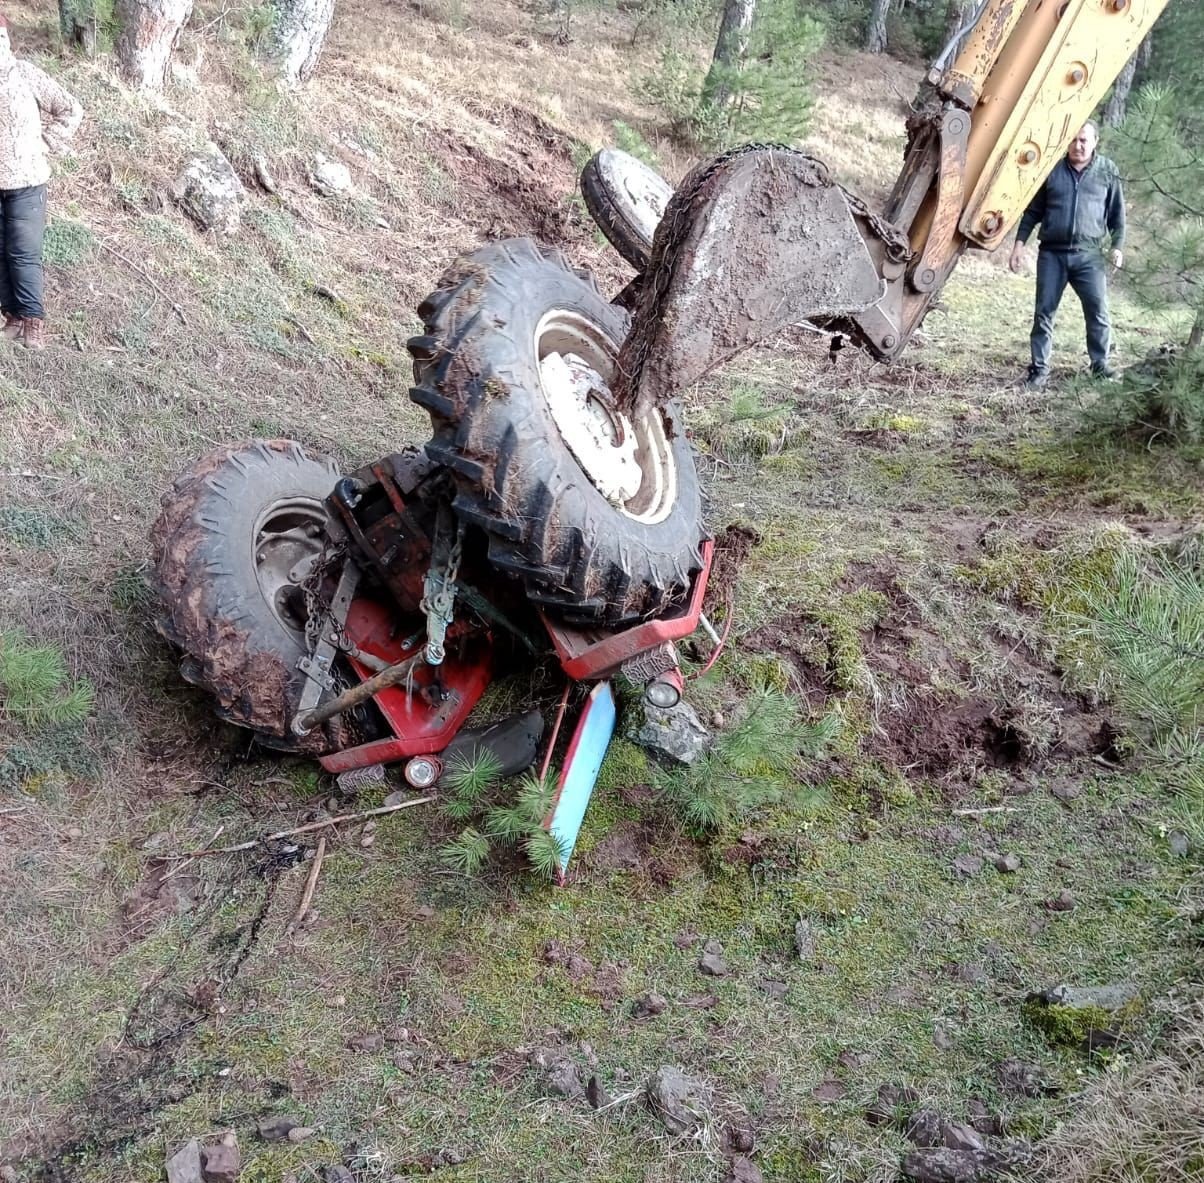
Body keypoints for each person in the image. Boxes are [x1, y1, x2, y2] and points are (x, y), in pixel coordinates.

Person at [1009, 122, 1125, 391]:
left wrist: (1117, 247)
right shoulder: (1052, 169)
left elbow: (1117, 216)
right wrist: (1019, 244)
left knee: (1098, 311)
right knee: (1044, 313)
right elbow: (1033, 211)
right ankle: (1039, 370)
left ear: (1095, 141)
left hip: (1089, 256)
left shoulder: (1107, 171)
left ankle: (1100, 365)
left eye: (1083, 140)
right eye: (1073, 140)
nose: (1078, 146)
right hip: (1053, 255)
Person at [0, 15, 82, 351]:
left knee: (23, 253)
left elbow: (70, 109)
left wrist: (47, 142)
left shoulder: (23, 73)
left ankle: (33, 321)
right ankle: (12, 317)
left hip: (27, 181)